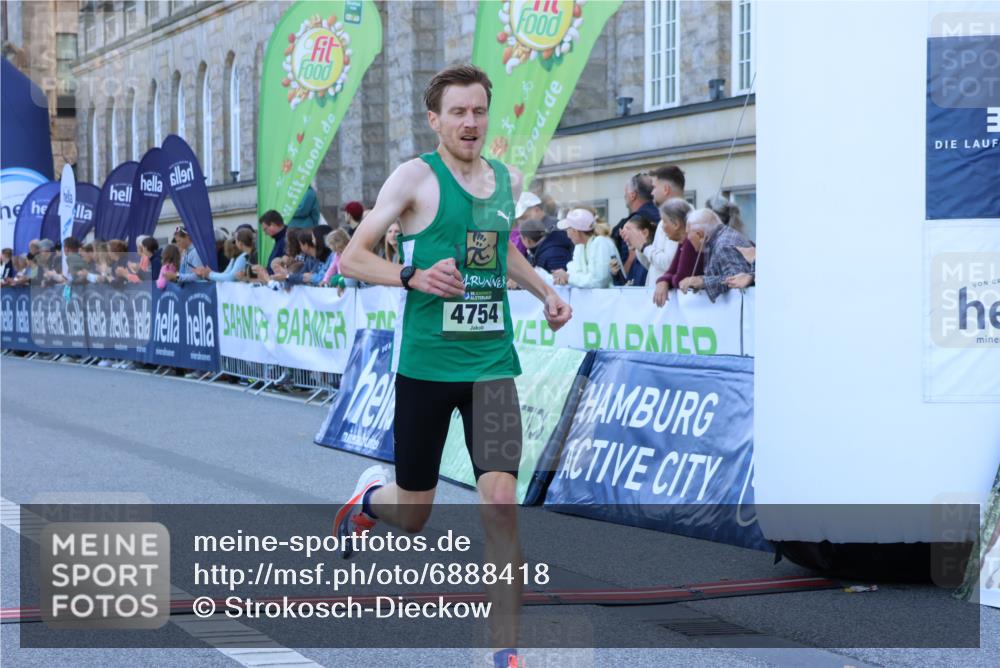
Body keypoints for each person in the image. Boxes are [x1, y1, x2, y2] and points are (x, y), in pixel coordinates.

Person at [336, 64, 571, 668]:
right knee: (414, 513)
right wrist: (412, 275)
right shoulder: (414, 178)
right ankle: (369, 500)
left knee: (501, 506)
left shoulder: (505, 180)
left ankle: (505, 652)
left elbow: (498, 252)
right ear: (435, 120)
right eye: (458, 112)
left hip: (491, 366)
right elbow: (352, 259)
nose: (471, 122)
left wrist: (544, 291)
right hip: (426, 369)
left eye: (479, 111)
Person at [679, 208, 754, 301]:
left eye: (688, 234)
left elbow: (738, 280)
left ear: (700, 235)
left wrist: (703, 282)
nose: (687, 238)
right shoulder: (720, 238)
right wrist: (702, 280)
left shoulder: (723, 245)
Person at [653, 198, 702, 306]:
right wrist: (663, 280)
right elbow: (671, 271)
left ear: (676, 224)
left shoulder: (690, 242)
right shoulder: (683, 242)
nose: (662, 227)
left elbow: (680, 279)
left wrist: (665, 281)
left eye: (664, 221)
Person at [551, 208, 618, 288]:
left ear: (575, 231)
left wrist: (568, 278)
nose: (567, 235)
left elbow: (598, 281)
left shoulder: (601, 243)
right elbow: (574, 272)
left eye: (567, 229)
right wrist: (564, 278)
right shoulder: (580, 246)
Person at [611, 173, 660, 278]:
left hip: (641, 281)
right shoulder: (663, 217)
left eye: (625, 193)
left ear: (632, 195)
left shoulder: (631, 225)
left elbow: (630, 259)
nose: (624, 197)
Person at [645, 165, 685, 283]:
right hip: (658, 292)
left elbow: (669, 263)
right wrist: (640, 247)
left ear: (666, 189)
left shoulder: (680, 217)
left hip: (668, 293)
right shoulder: (665, 219)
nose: (652, 192)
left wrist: (644, 246)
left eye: (654, 187)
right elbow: (654, 267)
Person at [612, 214, 656, 286]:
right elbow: (629, 288)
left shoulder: (653, 257)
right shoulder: (637, 261)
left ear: (645, 233)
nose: (625, 237)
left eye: (629, 230)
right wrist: (616, 275)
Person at [250, 210, 287, 277]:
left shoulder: (287, 239)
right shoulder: (279, 239)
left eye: (265, 229)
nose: (265, 233)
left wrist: (264, 272)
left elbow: (285, 268)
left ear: (273, 224)